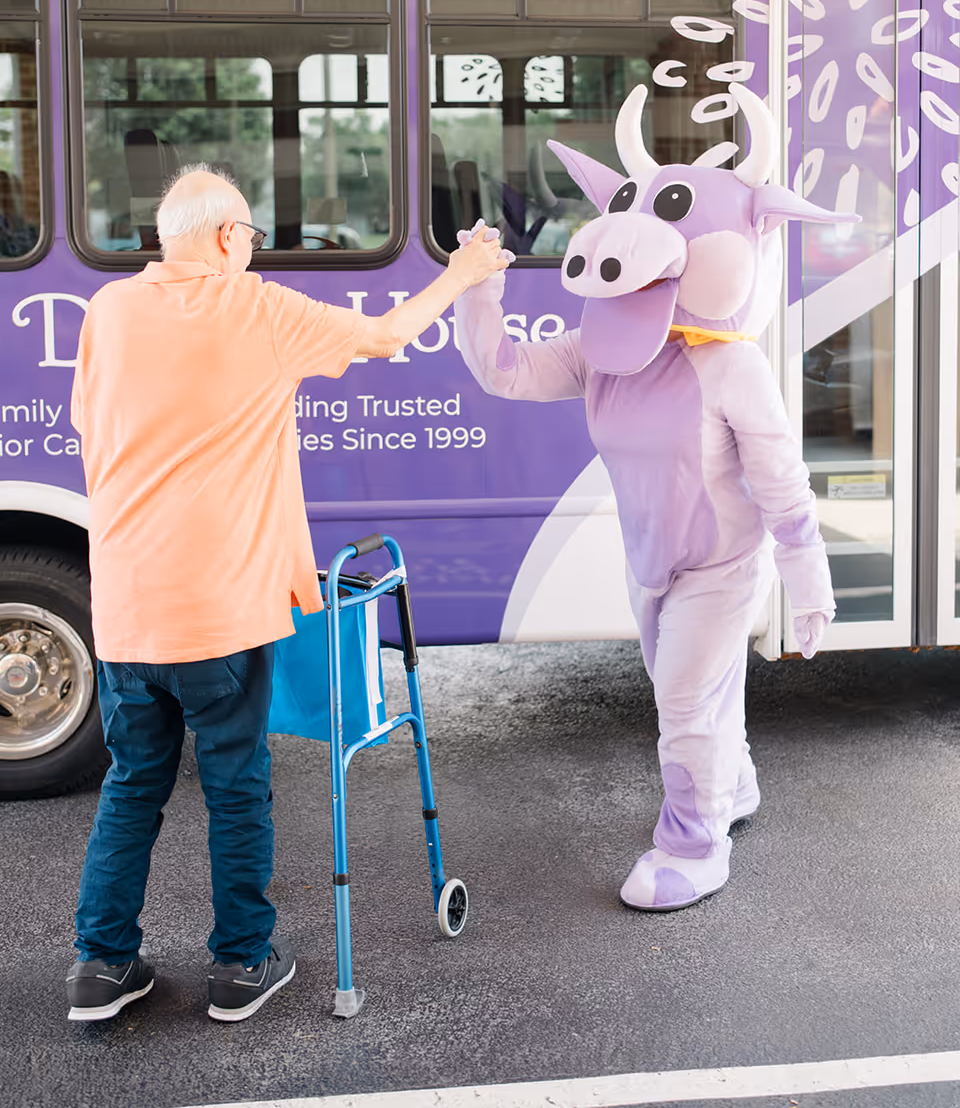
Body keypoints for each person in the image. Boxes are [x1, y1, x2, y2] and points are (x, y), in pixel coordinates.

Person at [66, 166, 507, 1023]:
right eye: (253, 237)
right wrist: (464, 274)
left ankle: (101, 967)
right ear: (230, 237)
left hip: (123, 608)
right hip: (218, 612)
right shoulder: (256, 310)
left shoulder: (108, 312)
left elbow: (92, 427)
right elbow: (384, 337)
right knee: (235, 785)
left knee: (132, 785)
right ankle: (240, 966)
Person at [455, 83, 849, 913]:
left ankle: (693, 847)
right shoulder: (607, 352)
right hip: (652, 564)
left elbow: (780, 477)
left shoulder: (733, 365)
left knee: (683, 701)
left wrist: (808, 574)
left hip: (722, 564)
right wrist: (478, 293)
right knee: (700, 697)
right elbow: (507, 373)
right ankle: (731, 789)